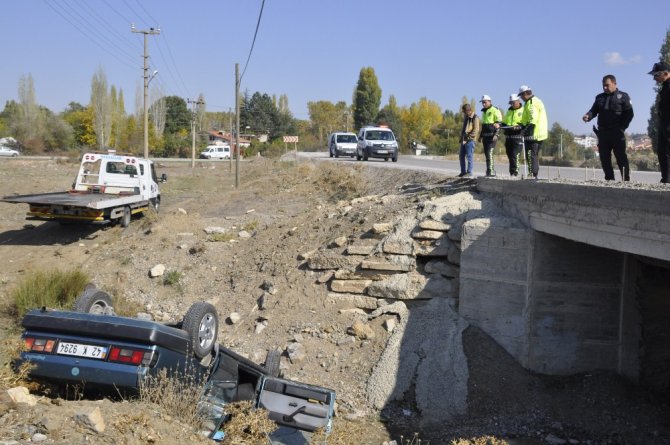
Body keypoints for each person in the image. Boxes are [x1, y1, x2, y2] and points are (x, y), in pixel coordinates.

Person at [582, 75, 634, 181]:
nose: (605, 88)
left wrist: (622, 128)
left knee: (621, 158)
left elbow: (629, 114)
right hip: (603, 133)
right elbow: (593, 110)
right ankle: (609, 180)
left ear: (614, 84)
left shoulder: (623, 96)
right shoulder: (599, 97)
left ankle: (626, 180)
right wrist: (588, 116)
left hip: (617, 132)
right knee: (604, 159)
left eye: (607, 85)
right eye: (603, 86)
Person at [518, 85, 548, 179]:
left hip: (534, 133)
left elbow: (532, 120)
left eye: (521, 96)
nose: (521, 98)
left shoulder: (531, 103)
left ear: (525, 94)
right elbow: (526, 119)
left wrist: (524, 131)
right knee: (534, 155)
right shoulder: (534, 101)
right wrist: (521, 125)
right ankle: (534, 175)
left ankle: (533, 176)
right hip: (539, 133)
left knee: (531, 155)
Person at [649, 61, 670, 183]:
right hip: (664, 124)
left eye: (656, 75)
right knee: (662, 152)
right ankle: (666, 179)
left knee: (667, 152)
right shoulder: (665, 86)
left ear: (666, 73)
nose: (654, 78)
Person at [478, 95, 503, 176]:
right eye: (482, 102)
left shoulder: (495, 110)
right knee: (487, 155)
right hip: (485, 137)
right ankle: (489, 171)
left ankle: (491, 171)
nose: (483, 104)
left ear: (490, 101)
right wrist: (480, 136)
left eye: (485, 102)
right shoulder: (484, 112)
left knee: (490, 153)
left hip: (492, 137)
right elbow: (484, 125)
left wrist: (496, 135)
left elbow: (499, 124)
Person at [502, 93, 525, 176]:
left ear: (518, 101)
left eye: (513, 102)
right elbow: (504, 123)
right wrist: (500, 125)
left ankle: (515, 173)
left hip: (517, 137)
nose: (512, 104)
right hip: (508, 138)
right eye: (511, 103)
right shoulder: (509, 111)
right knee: (510, 156)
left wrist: (518, 127)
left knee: (515, 155)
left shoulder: (523, 110)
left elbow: (525, 124)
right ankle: (512, 173)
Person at [459, 103, 480, 177]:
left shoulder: (475, 117)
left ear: (468, 110)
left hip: (470, 140)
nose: (464, 113)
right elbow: (464, 128)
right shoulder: (466, 117)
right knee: (461, 156)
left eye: (464, 111)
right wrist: (461, 137)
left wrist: (469, 136)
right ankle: (463, 172)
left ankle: (469, 172)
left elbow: (476, 130)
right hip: (463, 139)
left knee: (469, 156)